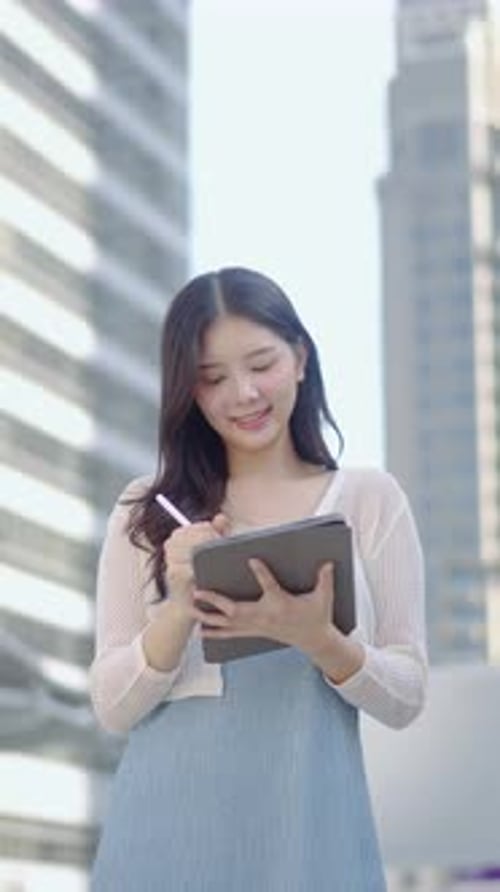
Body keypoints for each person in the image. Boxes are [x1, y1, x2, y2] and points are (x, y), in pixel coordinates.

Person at [90, 267, 427, 892]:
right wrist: (179, 606)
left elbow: (406, 696)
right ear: (187, 392)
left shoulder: (369, 499)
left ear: (300, 357)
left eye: (262, 363)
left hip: (311, 839)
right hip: (163, 844)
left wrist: (318, 638)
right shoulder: (145, 511)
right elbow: (112, 706)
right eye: (212, 378)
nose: (242, 394)